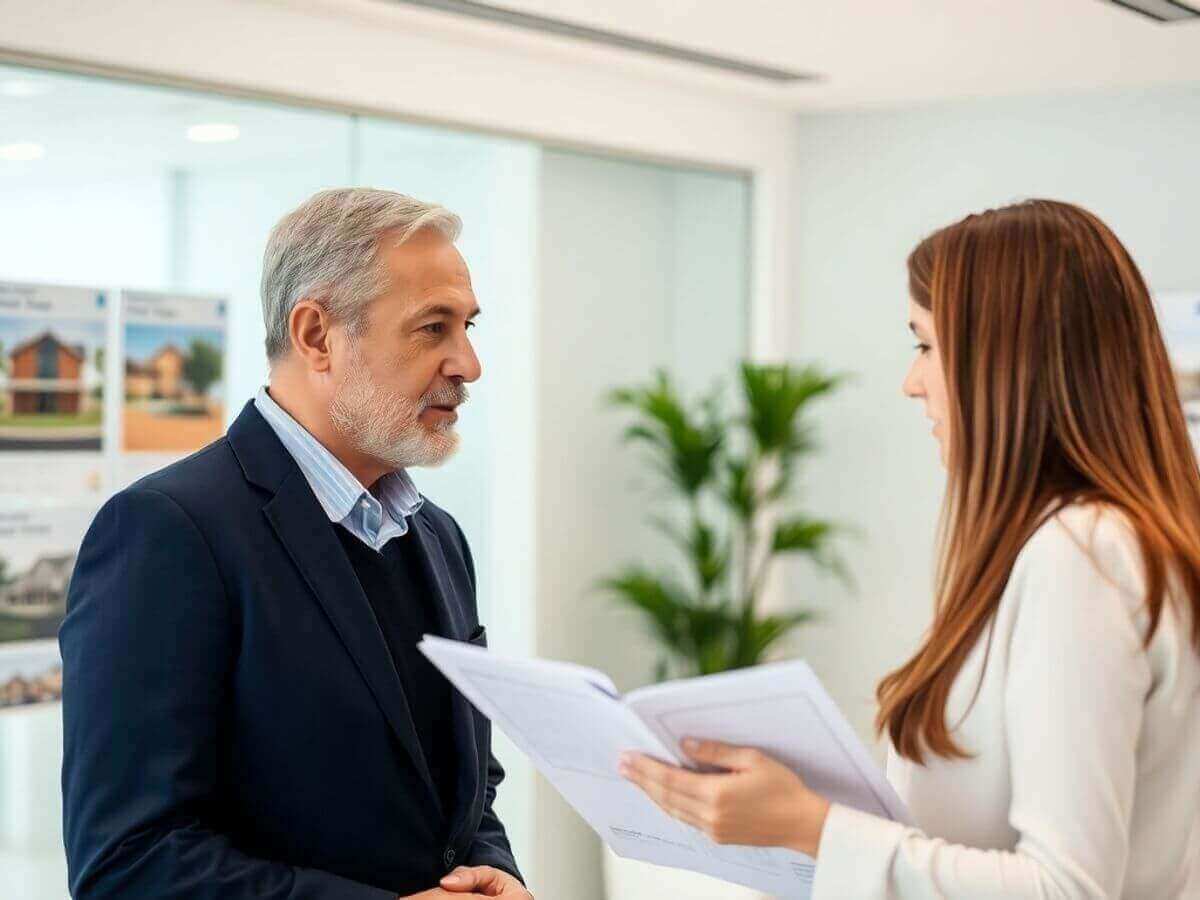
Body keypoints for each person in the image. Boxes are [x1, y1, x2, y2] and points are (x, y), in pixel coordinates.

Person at [619, 199, 1200, 897]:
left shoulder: (1081, 553)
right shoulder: (1100, 541)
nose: (911, 381)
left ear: (1004, 361)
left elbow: (1065, 888)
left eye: (925, 344)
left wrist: (812, 826)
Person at [61, 189, 530, 900]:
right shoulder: (169, 531)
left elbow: (462, 788)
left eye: (467, 326)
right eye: (433, 328)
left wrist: (497, 873)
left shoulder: (437, 536)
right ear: (316, 335)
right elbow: (129, 860)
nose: (468, 363)